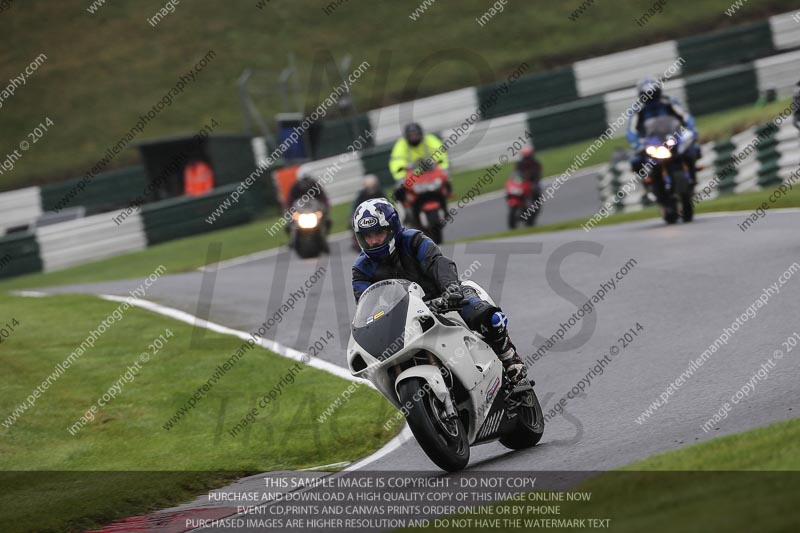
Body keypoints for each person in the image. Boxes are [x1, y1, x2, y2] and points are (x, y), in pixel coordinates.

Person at [351, 198, 528, 385]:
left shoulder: (414, 240)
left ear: (392, 229)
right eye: (367, 236)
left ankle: (509, 356)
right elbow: (366, 302)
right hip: (402, 319)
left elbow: (438, 263)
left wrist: (451, 290)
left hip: (442, 299)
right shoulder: (361, 269)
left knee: (484, 314)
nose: (373, 241)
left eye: (378, 233)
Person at [626, 77, 700, 185]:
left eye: (653, 93)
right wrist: (636, 143)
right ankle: (647, 182)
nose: (651, 97)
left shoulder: (669, 102)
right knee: (636, 161)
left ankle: (692, 172)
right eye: (648, 94)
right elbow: (631, 130)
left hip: (672, 136)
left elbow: (685, 117)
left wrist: (691, 129)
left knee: (693, 148)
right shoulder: (637, 110)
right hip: (651, 140)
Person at [389, 123, 450, 204]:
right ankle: (403, 208)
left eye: (415, 135)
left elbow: (440, 153)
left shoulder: (429, 139)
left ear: (421, 134)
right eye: (411, 136)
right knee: (399, 189)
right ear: (407, 137)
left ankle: (445, 198)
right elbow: (396, 160)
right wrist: (402, 176)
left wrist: (441, 169)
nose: (413, 138)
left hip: (430, 172)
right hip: (411, 175)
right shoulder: (401, 144)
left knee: (445, 181)